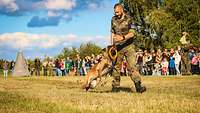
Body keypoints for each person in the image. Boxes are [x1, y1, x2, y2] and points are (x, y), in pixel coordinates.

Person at [109, 3, 146, 93]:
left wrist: (122, 37)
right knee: (116, 68)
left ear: (122, 10)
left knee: (132, 67)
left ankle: (138, 86)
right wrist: (112, 46)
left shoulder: (130, 19)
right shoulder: (113, 19)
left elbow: (133, 33)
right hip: (118, 47)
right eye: (115, 12)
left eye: (117, 12)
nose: (116, 14)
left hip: (129, 46)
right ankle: (115, 88)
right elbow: (112, 33)